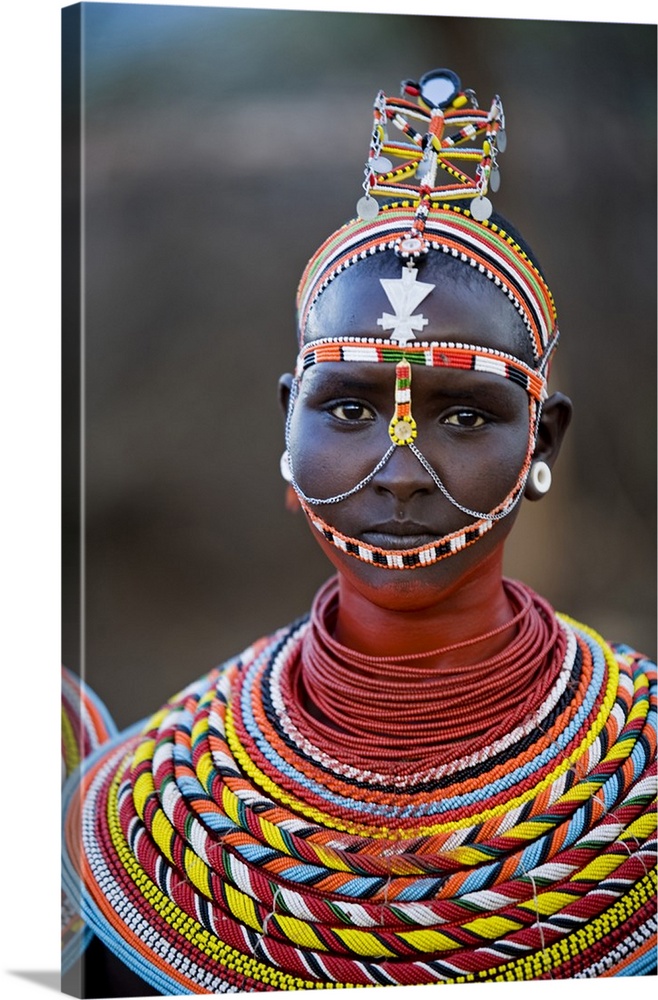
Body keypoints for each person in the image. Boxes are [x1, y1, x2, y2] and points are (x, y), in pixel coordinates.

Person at [62, 67, 657, 996]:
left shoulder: (642, 778)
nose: (403, 469)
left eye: (465, 415)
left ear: (543, 439)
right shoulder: (151, 797)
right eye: (347, 409)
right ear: (285, 423)